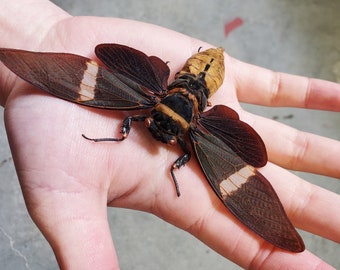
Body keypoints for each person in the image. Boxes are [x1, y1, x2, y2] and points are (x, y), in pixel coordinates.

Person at [0, 1, 339, 269]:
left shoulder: (144, 105)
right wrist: (39, 36)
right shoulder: (193, 137)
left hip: (184, 81)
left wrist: (39, 35)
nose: (160, 134)